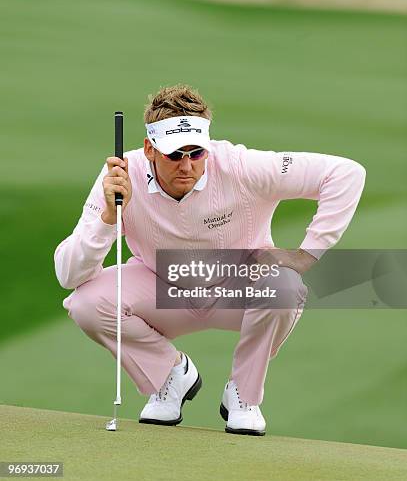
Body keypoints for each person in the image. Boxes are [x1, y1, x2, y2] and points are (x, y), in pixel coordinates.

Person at [55, 84, 366, 436]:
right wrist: (108, 218)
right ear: (149, 149)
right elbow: (69, 274)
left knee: (285, 285)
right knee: (86, 303)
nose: (187, 165)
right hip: (163, 289)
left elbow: (346, 173)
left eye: (196, 153)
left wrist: (307, 253)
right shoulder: (121, 176)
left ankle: (243, 395)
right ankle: (169, 376)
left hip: (239, 288)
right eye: (175, 155)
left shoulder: (241, 165)